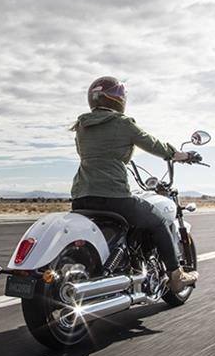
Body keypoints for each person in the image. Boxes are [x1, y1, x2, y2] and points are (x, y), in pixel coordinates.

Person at [70, 76, 199, 293]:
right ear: (118, 99)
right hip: (114, 196)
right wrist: (180, 155)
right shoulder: (122, 123)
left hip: (81, 196)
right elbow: (152, 144)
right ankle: (176, 276)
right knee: (159, 221)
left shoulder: (81, 126)